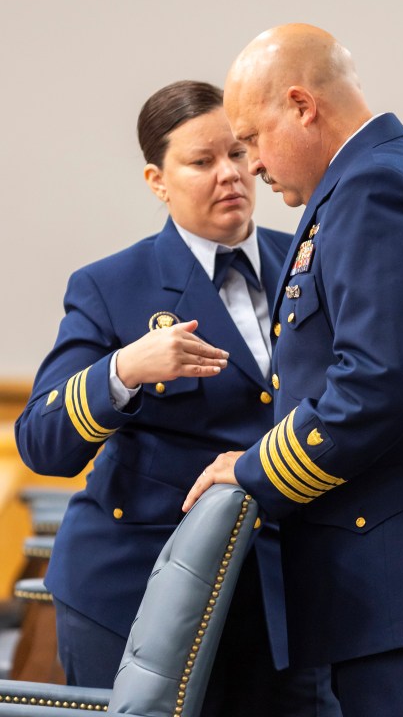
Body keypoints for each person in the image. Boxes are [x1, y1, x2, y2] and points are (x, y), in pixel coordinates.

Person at [15, 80, 341, 717]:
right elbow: (39, 441)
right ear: (157, 180)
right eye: (201, 161)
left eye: (240, 152)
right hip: (140, 586)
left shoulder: (311, 258)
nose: (230, 175)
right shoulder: (113, 285)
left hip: (285, 586)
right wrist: (122, 371)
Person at [183, 24, 403, 717]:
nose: (251, 165)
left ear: (301, 105)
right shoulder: (397, 173)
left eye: (253, 138)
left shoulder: (376, 189)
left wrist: (253, 468)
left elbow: (376, 385)